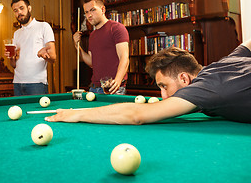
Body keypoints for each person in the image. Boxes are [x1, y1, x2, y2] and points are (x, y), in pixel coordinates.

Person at [45, 39, 251, 124]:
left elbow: (137, 115)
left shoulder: (205, 88)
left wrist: (77, 113)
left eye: (164, 86)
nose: (163, 95)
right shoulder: (226, 62)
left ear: (184, 78)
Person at [73, 0, 129, 94]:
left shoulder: (117, 28)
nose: (89, 15)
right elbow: (91, 62)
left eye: (93, 10)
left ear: (103, 10)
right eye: (86, 12)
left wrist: (117, 81)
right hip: (94, 88)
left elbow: (124, 58)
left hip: (113, 88)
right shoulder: (92, 35)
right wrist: (78, 47)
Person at [9, 0, 56, 96]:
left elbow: (53, 58)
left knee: (38, 112)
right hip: (17, 83)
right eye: (15, 10)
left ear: (29, 8)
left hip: (36, 83)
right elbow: (13, 65)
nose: (19, 13)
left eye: (22, 8)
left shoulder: (44, 26)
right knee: (19, 112)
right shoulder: (16, 33)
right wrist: (11, 58)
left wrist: (44, 55)